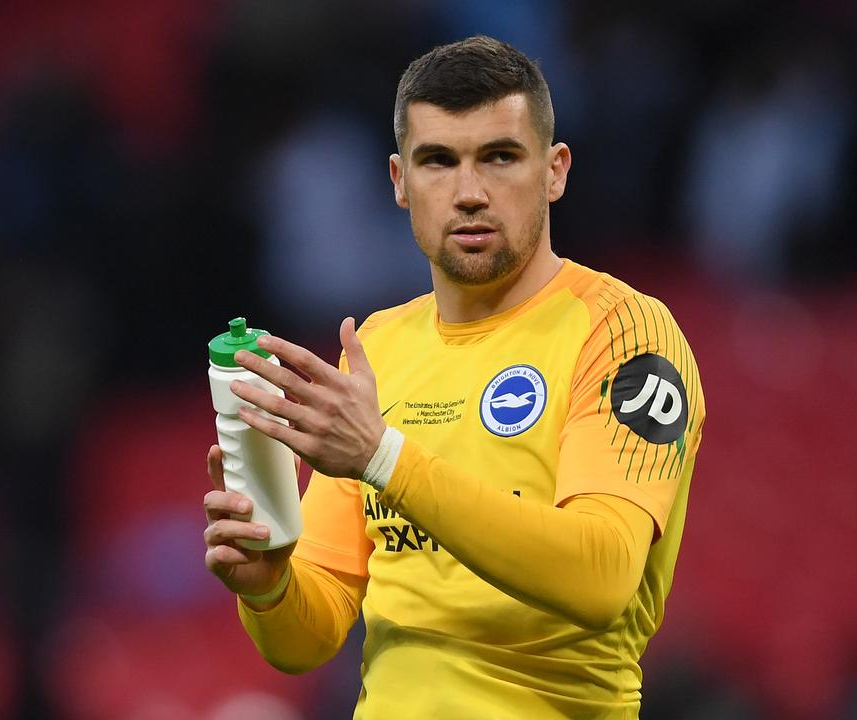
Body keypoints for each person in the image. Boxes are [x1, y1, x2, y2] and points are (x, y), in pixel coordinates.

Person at [202, 35, 706, 719]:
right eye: (438, 161)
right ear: (400, 182)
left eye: (500, 157)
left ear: (555, 171)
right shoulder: (377, 348)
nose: (469, 193)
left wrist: (385, 458)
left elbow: (602, 575)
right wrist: (267, 588)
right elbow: (309, 637)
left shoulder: (624, 334)